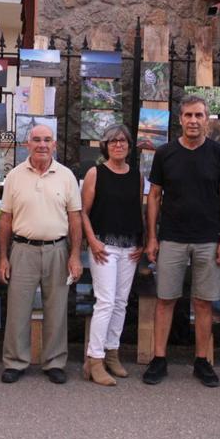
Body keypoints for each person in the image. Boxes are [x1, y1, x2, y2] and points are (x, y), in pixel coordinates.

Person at [142, 94, 220, 387]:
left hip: (208, 238)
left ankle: (202, 361)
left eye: (199, 115)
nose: (193, 121)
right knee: (165, 299)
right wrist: (152, 237)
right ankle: (158, 359)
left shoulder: (219, 154)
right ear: (179, 119)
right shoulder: (165, 153)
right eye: (188, 116)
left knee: (204, 302)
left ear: (207, 119)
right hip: (171, 238)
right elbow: (154, 197)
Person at [0, 124, 82, 384]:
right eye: (36, 140)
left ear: (54, 144)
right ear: (27, 144)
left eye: (47, 140)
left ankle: (54, 362)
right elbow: (5, 219)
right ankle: (15, 362)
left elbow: (75, 218)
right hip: (22, 250)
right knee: (18, 309)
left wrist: (75, 255)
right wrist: (2, 256)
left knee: (56, 310)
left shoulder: (66, 176)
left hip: (57, 250)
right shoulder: (14, 176)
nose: (42, 145)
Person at [80, 125, 144, 386]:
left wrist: (142, 239)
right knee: (105, 302)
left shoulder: (136, 175)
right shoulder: (96, 173)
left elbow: (138, 210)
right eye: (113, 141)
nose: (118, 144)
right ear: (105, 146)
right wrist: (92, 241)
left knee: (121, 302)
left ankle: (112, 353)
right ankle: (94, 359)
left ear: (129, 145)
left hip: (130, 248)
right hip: (104, 247)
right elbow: (82, 211)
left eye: (123, 140)